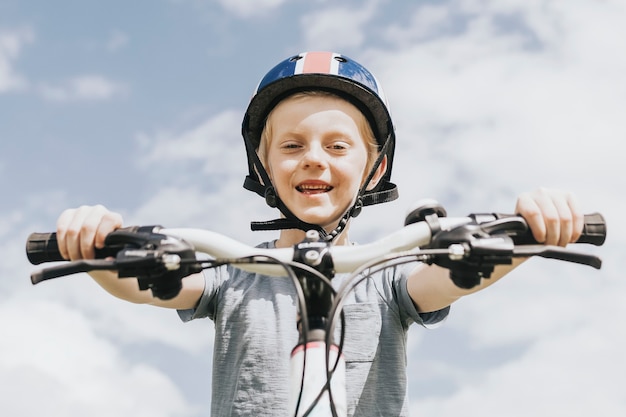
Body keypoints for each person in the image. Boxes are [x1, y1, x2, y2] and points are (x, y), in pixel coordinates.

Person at [55, 51, 583, 416]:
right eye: (291, 146)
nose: (313, 157)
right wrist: (100, 245)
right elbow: (147, 283)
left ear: (373, 171)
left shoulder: (386, 275)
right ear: (262, 167)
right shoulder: (235, 272)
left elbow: (449, 277)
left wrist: (530, 230)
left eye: (337, 146)